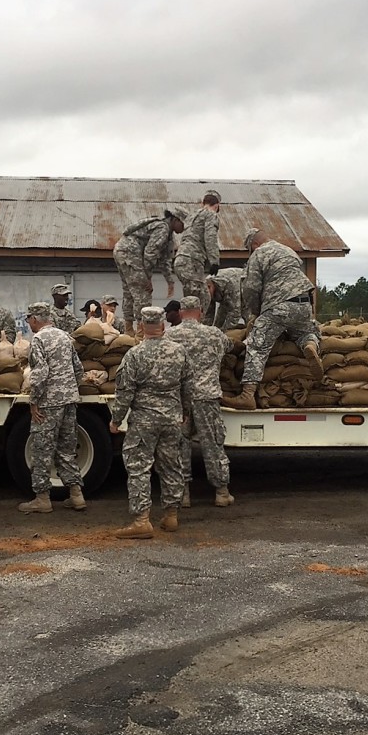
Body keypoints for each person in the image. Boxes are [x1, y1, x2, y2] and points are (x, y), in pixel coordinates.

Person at [107, 306, 190, 538]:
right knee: (171, 465)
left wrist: (116, 420)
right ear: (163, 326)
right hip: (172, 418)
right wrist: (185, 411)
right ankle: (171, 516)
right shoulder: (179, 352)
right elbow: (188, 386)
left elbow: (125, 392)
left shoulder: (134, 355)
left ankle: (142, 520)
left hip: (144, 421)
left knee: (139, 468)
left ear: (142, 327)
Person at [223, 228, 323, 410]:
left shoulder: (259, 254)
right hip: (304, 303)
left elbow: (251, 288)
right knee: (305, 332)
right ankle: (309, 344)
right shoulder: (288, 250)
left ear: (254, 244)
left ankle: (247, 396)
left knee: (256, 346)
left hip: (278, 306)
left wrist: (255, 313)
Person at [18, 302, 86, 514]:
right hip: (69, 400)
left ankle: (42, 498)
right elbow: (78, 369)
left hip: (49, 403)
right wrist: (69, 390)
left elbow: (40, 373)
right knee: (67, 448)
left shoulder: (39, 339)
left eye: (29, 319)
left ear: (36, 319)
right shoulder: (64, 336)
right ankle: (76, 496)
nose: (29, 323)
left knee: (42, 449)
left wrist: (34, 401)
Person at [166, 296, 233, 507]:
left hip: (179, 399)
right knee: (212, 444)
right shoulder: (214, 334)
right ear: (200, 311)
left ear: (181, 312)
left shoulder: (170, 335)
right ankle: (221, 492)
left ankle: (183, 494)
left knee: (179, 445)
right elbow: (230, 346)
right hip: (207, 397)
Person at [112, 207, 186, 336]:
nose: (184, 228)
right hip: (131, 253)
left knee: (129, 291)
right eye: (183, 224)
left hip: (122, 251)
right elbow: (150, 253)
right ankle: (141, 332)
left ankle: (129, 329)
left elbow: (163, 260)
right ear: (175, 220)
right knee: (144, 291)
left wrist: (170, 281)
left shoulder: (166, 233)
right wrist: (147, 278)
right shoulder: (163, 229)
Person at [174, 190, 222, 314]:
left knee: (191, 297)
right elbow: (210, 237)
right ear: (217, 205)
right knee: (203, 298)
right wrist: (214, 261)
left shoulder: (192, 215)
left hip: (180, 259)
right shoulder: (211, 215)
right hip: (192, 260)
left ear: (202, 203)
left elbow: (177, 209)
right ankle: (197, 328)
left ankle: (188, 325)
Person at [205, 266, 249, 330]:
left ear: (210, 287)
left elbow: (235, 314)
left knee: (248, 316)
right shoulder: (205, 287)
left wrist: (223, 332)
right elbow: (208, 315)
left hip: (242, 284)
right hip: (223, 293)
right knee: (218, 325)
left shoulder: (229, 284)